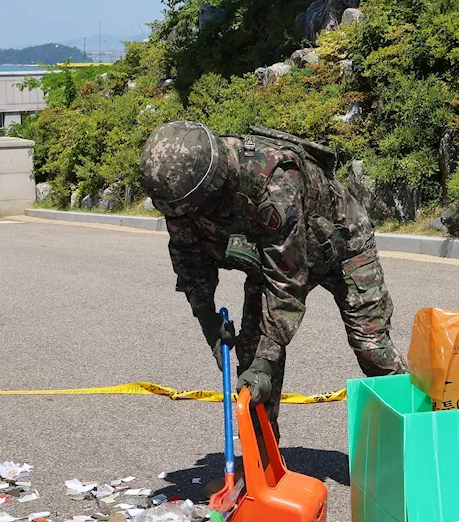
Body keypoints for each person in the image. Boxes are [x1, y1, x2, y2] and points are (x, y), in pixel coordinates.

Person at [140, 121, 406, 429]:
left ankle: (424, 440)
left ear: (214, 183)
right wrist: (208, 320)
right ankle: (263, 467)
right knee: (251, 377)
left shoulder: (272, 182)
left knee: (373, 349)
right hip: (269, 260)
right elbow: (189, 258)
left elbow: (288, 280)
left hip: (342, 247)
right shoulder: (182, 196)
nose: (188, 216)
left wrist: (267, 362)